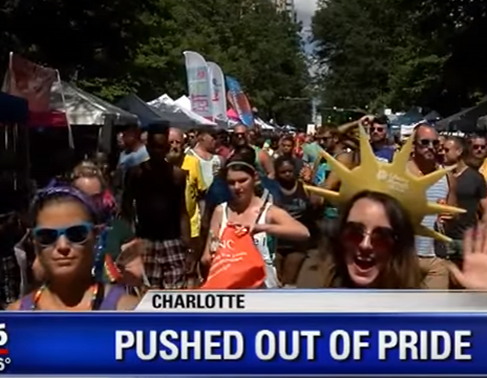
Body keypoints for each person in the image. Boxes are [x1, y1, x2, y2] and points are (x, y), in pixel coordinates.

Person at [319, 191, 487, 290]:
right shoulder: (314, 305)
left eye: (381, 237)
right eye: (354, 232)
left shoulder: (421, 317)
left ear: (399, 244)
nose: (365, 245)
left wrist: (485, 303)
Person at [8, 186, 139, 310]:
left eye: (76, 234)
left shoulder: (129, 311)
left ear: (96, 237)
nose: (63, 246)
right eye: (47, 236)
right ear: (34, 243)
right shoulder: (15, 316)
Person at [201, 160, 310, 288]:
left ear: (255, 178)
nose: (237, 187)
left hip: (263, 287)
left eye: (243, 181)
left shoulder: (268, 211)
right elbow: (207, 254)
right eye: (231, 183)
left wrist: (262, 228)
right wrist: (212, 256)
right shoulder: (221, 211)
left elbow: (303, 232)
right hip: (230, 288)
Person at [122, 124, 191, 289]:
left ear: (166, 148)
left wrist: (188, 247)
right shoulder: (136, 173)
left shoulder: (177, 175)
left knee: (175, 294)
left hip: (173, 241)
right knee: (147, 293)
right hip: (146, 240)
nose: (157, 151)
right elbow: (126, 208)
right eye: (153, 147)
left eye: (161, 147)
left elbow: (182, 211)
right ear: (147, 147)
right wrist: (128, 241)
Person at [407, 124, 456, 289]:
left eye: (435, 143)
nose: (430, 147)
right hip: (405, 256)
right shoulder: (400, 174)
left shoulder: (447, 175)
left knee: (437, 305)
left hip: (436, 259)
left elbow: (454, 211)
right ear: (413, 145)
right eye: (424, 142)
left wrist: (449, 216)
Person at [442, 136, 487, 266]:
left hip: (467, 238)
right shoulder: (440, 175)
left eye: (446, 150)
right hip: (444, 237)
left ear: (459, 151)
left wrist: (481, 232)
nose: (442, 153)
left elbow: (486, 210)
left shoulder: (475, 178)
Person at [273, 156, 317, 286]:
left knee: (289, 281)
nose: (287, 174)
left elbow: (317, 204)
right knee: (274, 281)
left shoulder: (304, 187)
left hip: (296, 243)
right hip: (276, 242)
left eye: (290, 171)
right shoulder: (271, 189)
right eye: (283, 172)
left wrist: (311, 187)